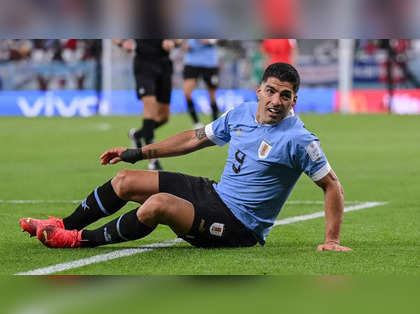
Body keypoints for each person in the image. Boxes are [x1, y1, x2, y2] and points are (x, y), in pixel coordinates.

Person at [20, 63, 352, 252]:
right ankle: (62, 224)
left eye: (285, 95)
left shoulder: (299, 139)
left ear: (295, 99)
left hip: (240, 227)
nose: (276, 100)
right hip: (215, 193)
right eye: (271, 91)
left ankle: (76, 240)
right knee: (123, 181)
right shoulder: (240, 114)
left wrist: (332, 240)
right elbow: (194, 139)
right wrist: (138, 153)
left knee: (159, 204)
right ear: (259, 90)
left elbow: (331, 185)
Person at [113, 39, 176, 170]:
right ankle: (153, 160)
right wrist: (122, 42)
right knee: (150, 109)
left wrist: (174, 42)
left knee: (164, 118)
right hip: (144, 64)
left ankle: (138, 135)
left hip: (164, 65)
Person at [182, 39, 220, 129]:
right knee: (187, 93)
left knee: (212, 95)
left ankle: (215, 124)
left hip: (209, 64)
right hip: (191, 63)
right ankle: (196, 123)